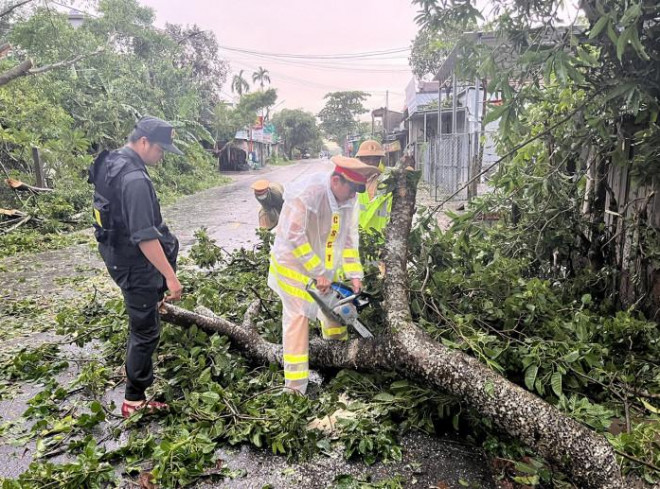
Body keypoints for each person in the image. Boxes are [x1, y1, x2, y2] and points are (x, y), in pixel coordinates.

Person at [88, 115, 183, 418]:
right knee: (145, 331)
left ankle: (134, 381)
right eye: (160, 149)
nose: (162, 155)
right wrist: (170, 276)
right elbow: (144, 237)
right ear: (143, 142)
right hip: (134, 263)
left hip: (116, 255)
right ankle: (134, 399)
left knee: (143, 318)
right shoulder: (135, 180)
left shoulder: (112, 161)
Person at [268, 156, 380, 394]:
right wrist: (318, 271)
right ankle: (296, 388)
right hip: (292, 264)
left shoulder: (348, 200)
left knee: (335, 310)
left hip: (322, 264)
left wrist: (354, 274)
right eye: (351, 189)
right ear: (337, 180)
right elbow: (294, 235)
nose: (353, 196)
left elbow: (349, 239)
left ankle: (335, 362)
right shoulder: (307, 193)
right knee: (299, 317)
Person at [355, 140, 392, 233]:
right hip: (357, 238)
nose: (371, 162)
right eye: (367, 158)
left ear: (380, 159)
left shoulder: (388, 181)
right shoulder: (351, 181)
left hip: (380, 239)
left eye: (375, 158)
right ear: (360, 159)